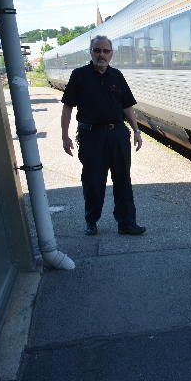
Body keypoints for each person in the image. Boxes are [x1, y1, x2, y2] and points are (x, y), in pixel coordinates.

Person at [60, 35, 146, 236]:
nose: (102, 55)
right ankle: (91, 221)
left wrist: (136, 131)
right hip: (91, 137)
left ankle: (127, 223)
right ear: (91, 52)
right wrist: (65, 136)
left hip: (117, 134)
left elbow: (127, 107)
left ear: (111, 54)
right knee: (93, 181)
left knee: (123, 179)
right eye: (98, 50)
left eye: (106, 51)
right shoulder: (79, 75)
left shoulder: (117, 76)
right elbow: (67, 108)